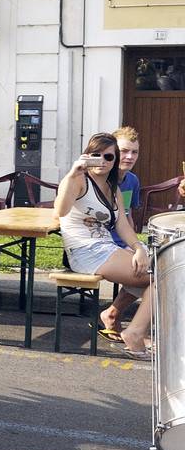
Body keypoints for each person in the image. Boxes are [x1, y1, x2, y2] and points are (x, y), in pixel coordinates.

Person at [55, 132, 153, 358]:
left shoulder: (114, 189)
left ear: (115, 161)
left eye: (108, 157)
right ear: (86, 156)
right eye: (95, 155)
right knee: (161, 277)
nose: (102, 161)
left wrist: (138, 247)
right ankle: (135, 333)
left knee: (161, 270)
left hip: (105, 248)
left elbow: (123, 226)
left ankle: (125, 323)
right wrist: (71, 174)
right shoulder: (78, 181)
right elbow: (60, 211)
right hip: (84, 251)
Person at [101, 126, 144, 336]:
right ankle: (129, 325)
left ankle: (113, 313)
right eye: (124, 151)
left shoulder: (132, 180)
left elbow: (127, 215)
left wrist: (137, 244)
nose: (129, 156)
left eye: (134, 152)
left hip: (123, 240)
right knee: (148, 273)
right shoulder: (100, 177)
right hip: (102, 244)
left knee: (158, 264)